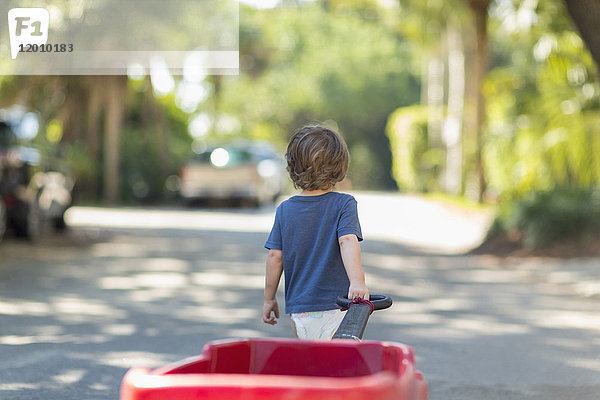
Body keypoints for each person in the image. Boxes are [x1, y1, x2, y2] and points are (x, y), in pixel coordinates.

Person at [262, 125, 369, 340]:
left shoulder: (285, 209)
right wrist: (357, 282)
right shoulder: (344, 203)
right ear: (340, 165)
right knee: (338, 363)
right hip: (338, 307)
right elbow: (347, 240)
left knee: (312, 361)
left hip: (299, 309)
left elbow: (275, 257)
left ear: (292, 166)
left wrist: (269, 298)